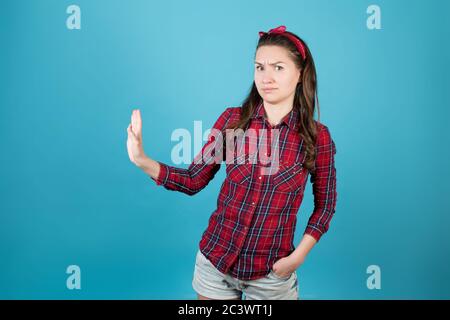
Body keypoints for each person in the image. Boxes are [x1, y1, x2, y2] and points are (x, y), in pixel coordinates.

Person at [126, 25, 337, 300]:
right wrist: (141, 160)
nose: (266, 77)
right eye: (259, 67)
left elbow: (325, 206)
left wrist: (296, 259)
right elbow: (193, 180)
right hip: (216, 264)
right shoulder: (232, 121)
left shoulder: (317, 137)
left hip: (272, 275)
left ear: (300, 74)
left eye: (278, 68)